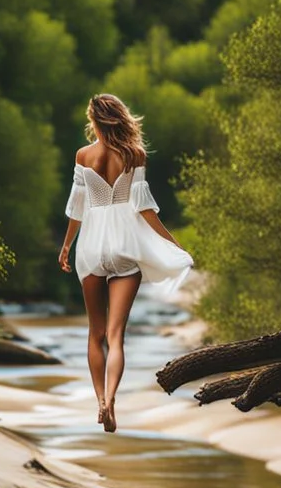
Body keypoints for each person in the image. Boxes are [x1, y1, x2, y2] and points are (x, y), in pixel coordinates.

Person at [59, 93, 194, 433]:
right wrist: (171, 242)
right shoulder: (134, 154)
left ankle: (99, 401)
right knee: (117, 336)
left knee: (96, 334)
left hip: (91, 248)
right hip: (125, 247)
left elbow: (77, 208)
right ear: (118, 117)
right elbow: (145, 208)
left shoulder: (83, 155)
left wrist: (65, 247)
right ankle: (113, 400)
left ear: (94, 119)